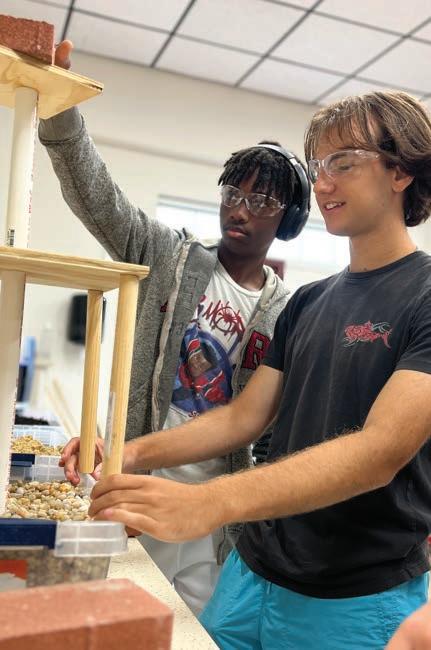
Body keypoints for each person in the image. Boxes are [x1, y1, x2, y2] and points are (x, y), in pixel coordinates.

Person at [67, 89, 431, 648]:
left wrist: (208, 502)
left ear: (401, 171)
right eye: (318, 166)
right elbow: (244, 418)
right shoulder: (307, 301)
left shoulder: (423, 295)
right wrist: (127, 452)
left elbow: (379, 452)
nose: (323, 184)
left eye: (343, 163)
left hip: (352, 597)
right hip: (253, 574)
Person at [45, 43, 310, 615]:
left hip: (209, 516)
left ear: (287, 220)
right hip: (126, 480)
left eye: (261, 200)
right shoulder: (170, 257)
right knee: (106, 615)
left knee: (185, 629)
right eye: (233, 194)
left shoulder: (288, 312)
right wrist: (59, 108)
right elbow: (98, 197)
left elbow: (267, 427)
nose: (240, 209)